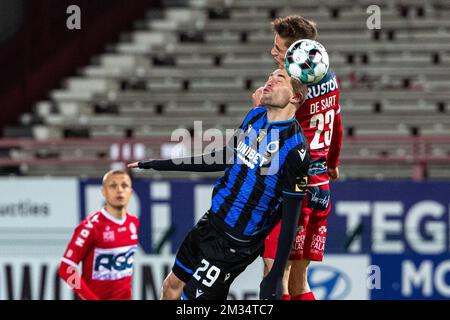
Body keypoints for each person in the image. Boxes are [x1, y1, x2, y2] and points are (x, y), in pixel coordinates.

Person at [128, 68, 310, 300]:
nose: (270, 81)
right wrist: (158, 164)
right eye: (269, 76)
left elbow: (291, 220)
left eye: (279, 78)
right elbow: (225, 157)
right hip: (210, 223)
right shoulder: (255, 117)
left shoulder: (296, 148)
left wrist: (274, 275)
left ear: (295, 97)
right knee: (171, 286)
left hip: (233, 244)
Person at [254, 15, 343, 300]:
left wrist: (258, 103)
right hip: (321, 189)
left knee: (275, 277)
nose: (273, 53)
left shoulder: (292, 88)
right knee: (299, 282)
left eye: (278, 48)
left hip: (293, 189)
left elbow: (267, 126)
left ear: (295, 52)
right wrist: (332, 163)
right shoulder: (329, 76)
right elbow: (337, 125)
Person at [59, 170, 139, 300]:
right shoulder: (90, 227)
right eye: (113, 186)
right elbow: (65, 268)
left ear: (130, 191)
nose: (119, 190)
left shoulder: (133, 222)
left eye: (124, 185)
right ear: (104, 192)